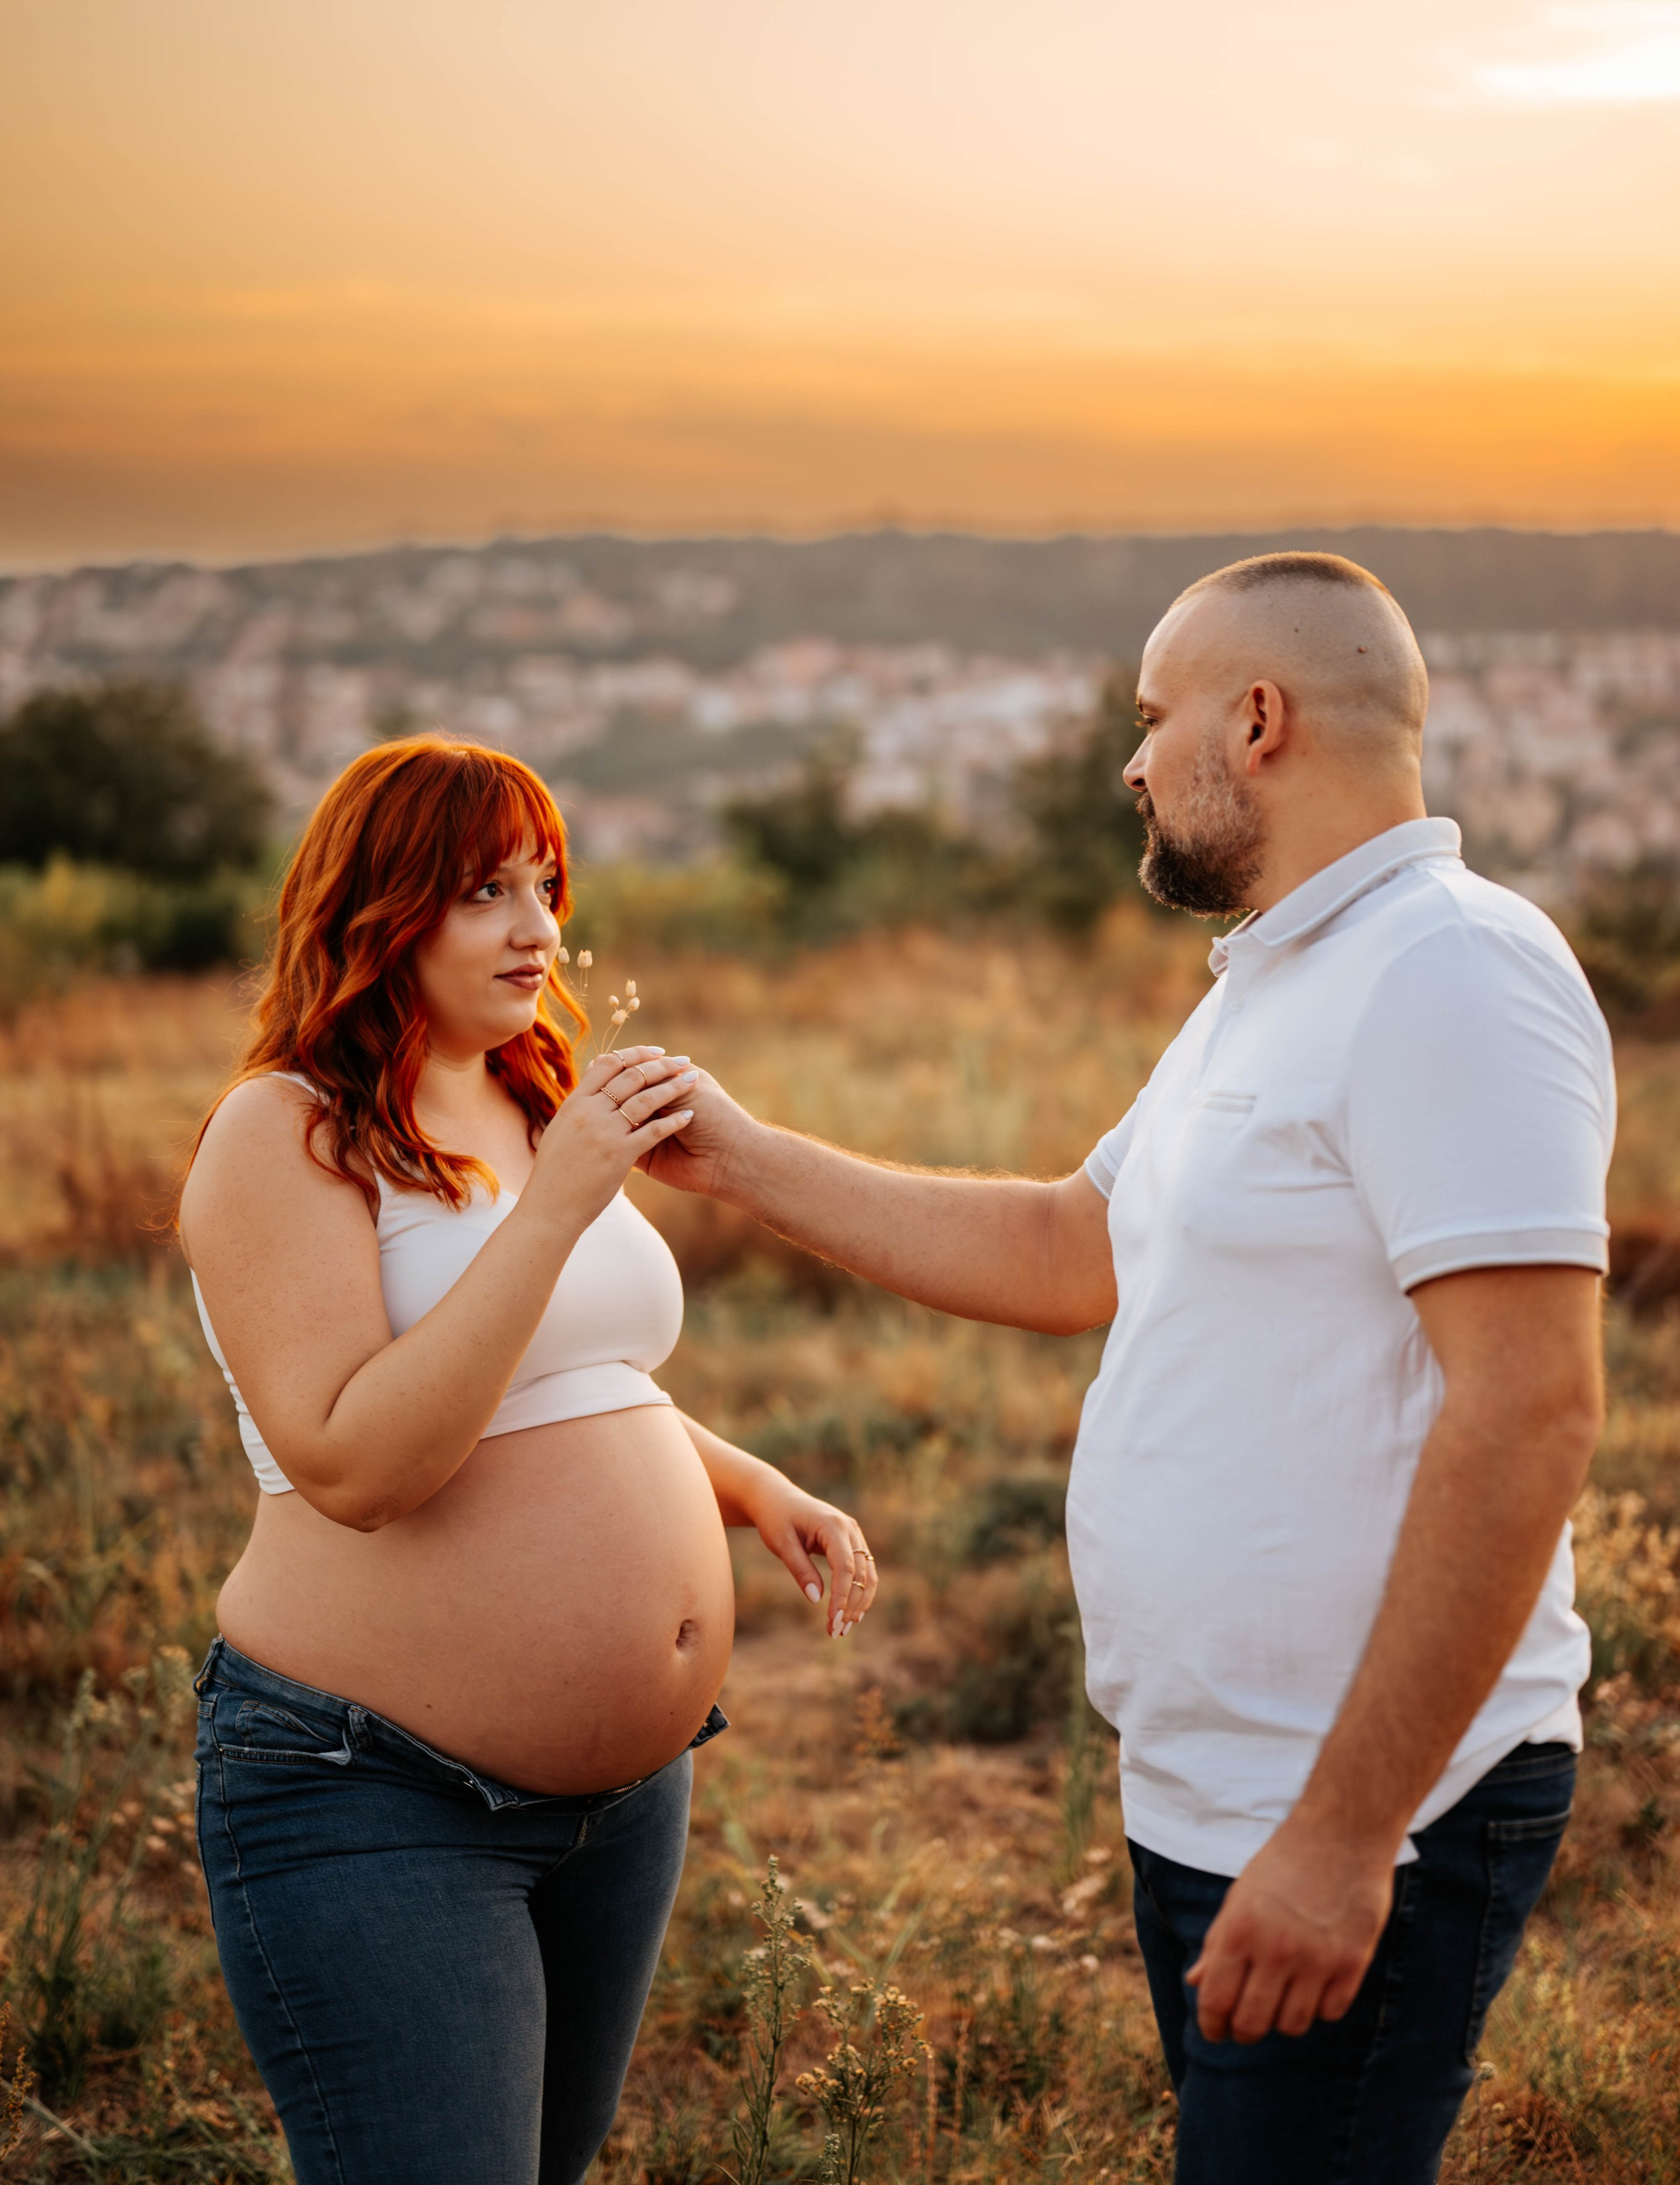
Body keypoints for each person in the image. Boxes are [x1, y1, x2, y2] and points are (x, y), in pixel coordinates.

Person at [640, 552, 1612, 2185]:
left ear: (1257, 718)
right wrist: (738, 1160)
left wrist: (1341, 1835)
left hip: (1369, 1803)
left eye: (1151, 717)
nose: (1128, 760)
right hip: (1210, 1788)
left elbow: (1531, 1408)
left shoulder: (1450, 968)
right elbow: (1064, 1246)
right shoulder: (1268, 984)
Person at [180, 737, 877, 2185]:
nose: (539, 928)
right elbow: (357, 1463)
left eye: (546, 885)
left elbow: (567, 1379)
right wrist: (554, 1206)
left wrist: (748, 1486)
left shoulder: (524, 1092)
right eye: (486, 889)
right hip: (376, 1783)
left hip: (626, 1802)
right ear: (382, 908)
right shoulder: (284, 1131)